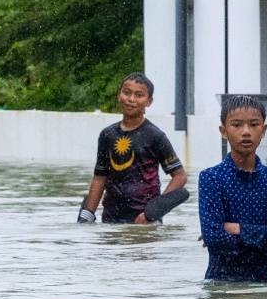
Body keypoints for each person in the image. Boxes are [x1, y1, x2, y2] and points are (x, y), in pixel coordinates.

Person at [199, 95, 267, 282]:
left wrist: (238, 229)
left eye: (253, 124)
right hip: (222, 284)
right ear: (223, 131)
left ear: (264, 130)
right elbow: (214, 239)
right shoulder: (211, 178)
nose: (246, 132)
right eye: (236, 125)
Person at [78, 72, 187, 224]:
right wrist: (86, 216)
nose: (131, 99)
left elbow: (180, 176)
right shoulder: (107, 135)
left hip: (145, 222)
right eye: (126, 93)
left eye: (139, 95)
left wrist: (153, 212)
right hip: (110, 220)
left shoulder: (155, 136)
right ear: (119, 95)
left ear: (149, 102)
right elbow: (99, 178)